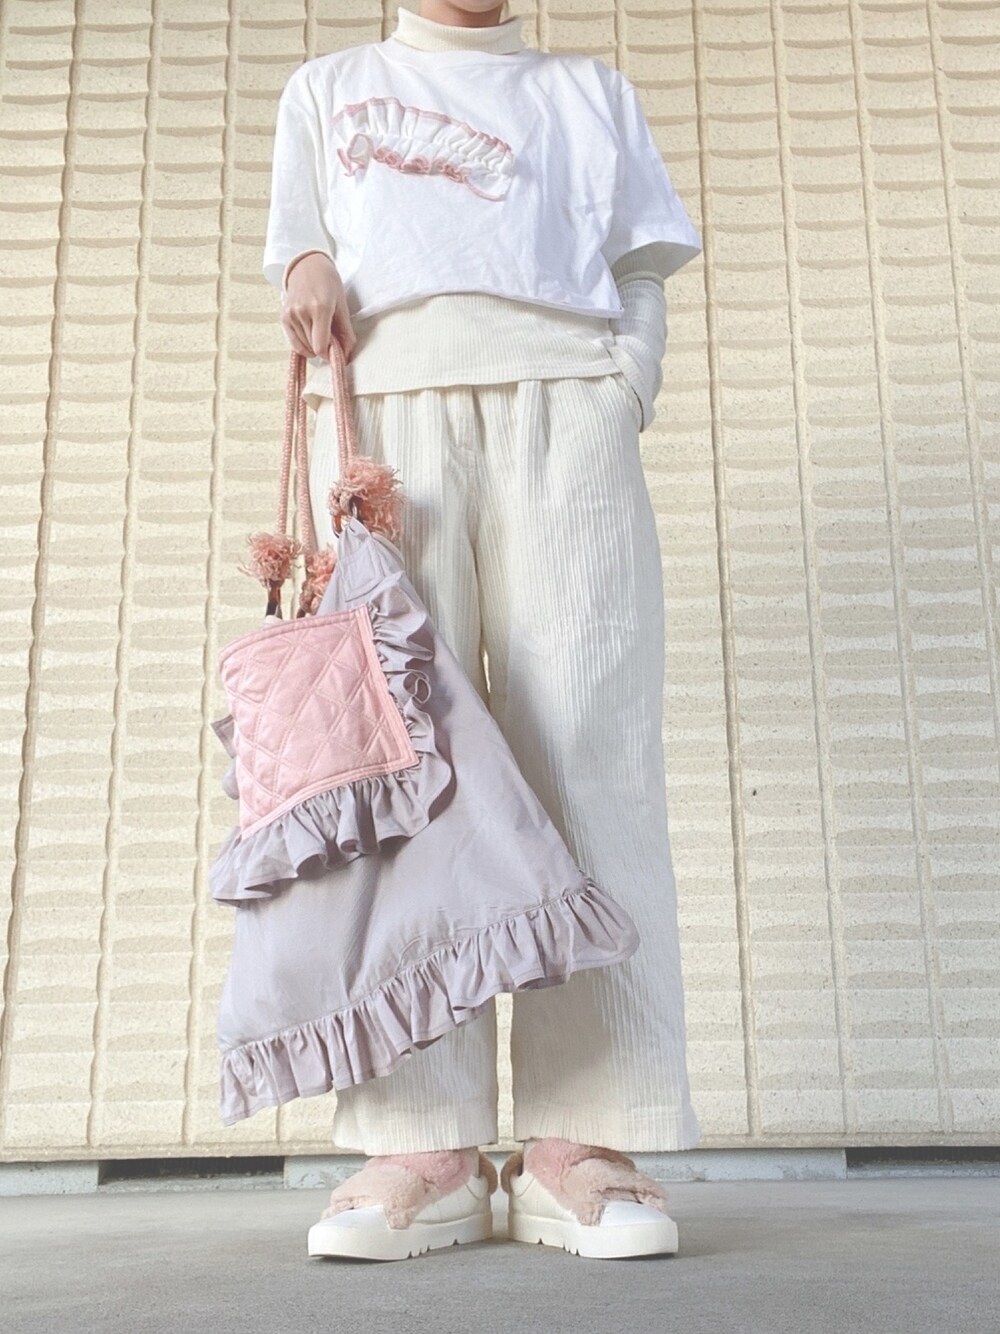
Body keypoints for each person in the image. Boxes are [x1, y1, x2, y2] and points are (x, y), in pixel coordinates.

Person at [261, 0, 703, 1262]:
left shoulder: (589, 92)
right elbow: (303, 253)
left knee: (587, 750)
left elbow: (636, 263)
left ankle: (586, 1128)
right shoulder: (326, 88)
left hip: (566, 413)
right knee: (398, 767)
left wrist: (624, 387)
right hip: (385, 433)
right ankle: (421, 1136)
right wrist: (304, 274)